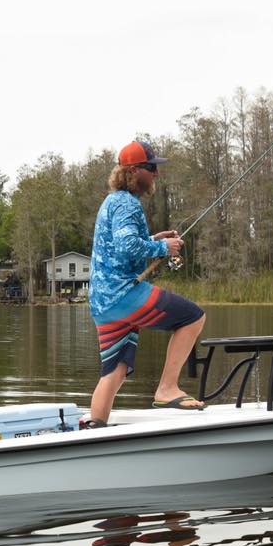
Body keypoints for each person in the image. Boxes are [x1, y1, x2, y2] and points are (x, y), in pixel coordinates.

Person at [85, 140, 206, 427]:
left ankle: (94, 429)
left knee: (115, 369)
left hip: (102, 301)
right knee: (193, 317)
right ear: (133, 171)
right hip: (123, 294)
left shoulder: (111, 202)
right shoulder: (128, 203)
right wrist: (164, 249)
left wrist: (154, 240)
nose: (156, 174)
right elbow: (127, 247)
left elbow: (121, 246)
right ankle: (166, 388)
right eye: (151, 168)